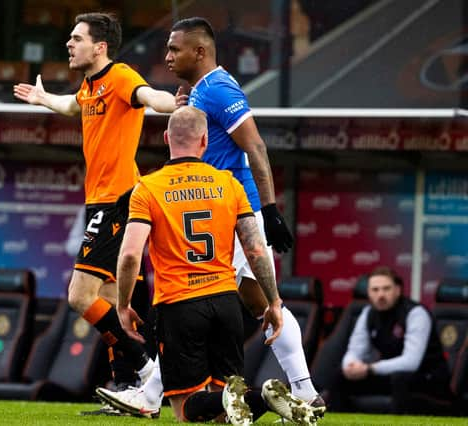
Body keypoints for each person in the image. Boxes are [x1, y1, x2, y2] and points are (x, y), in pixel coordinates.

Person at [98, 16, 325, 417]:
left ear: (199, 52)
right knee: (258, 301)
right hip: (220, 206)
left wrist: (269, 210)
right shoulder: (199, 91)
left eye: (174, 49)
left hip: (234, 210)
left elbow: (255, 146)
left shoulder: (219, 89)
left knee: (203, 296)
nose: (166, 56)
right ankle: (304, 391)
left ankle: (151, 394)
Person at [13, 12, 176, 406]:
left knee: (79, 296)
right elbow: (74, 105)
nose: (68, 44)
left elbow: (148, 96)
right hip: (101, 201)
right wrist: (42, 99)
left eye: (76, 38)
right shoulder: (90, 85)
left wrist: (171, 102)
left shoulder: (120, 76)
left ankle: (148, 370)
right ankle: (129, 387)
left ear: (99, 46)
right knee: (110, 298)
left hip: (117, 199)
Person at [327, 266, 454, 414]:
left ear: (398, 290)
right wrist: (350, 366)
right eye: (375, 290)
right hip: (392, 375)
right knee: (340, 376)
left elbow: (410, 362)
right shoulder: (368, 313)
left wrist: (370, 369)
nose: (380, 295)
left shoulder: (415, 313)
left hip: (428, 379)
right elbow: (355, 350)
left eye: (386, 289)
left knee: (400, 379)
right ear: (368, 292)